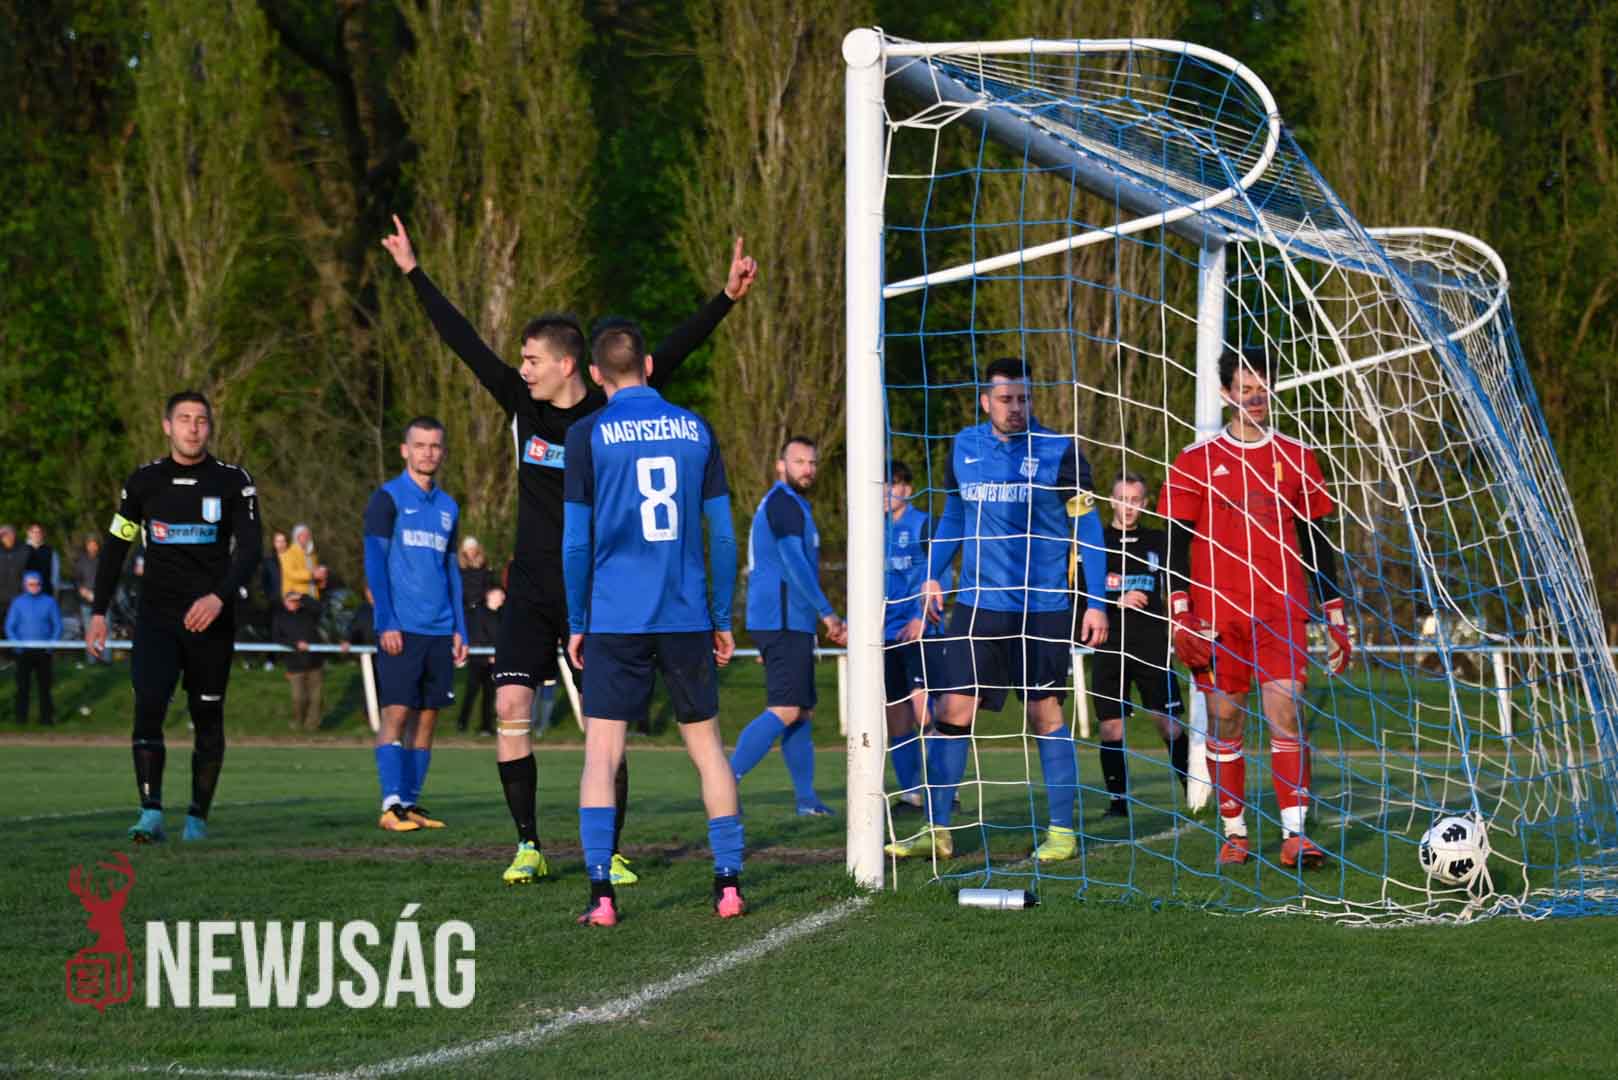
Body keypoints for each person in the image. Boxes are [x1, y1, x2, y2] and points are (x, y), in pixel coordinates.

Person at [380, 213, 757, 885]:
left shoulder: (610, 413)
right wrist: (414, 272)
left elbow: (669, 350)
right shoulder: (519, 404)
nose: (521, 369)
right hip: (530, 586)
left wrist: (725, 299)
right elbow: (460, 339)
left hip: (599, 592)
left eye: (531, 360)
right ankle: (528, 844)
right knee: (509, 708)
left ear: (567, 364)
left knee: (604, 730)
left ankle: (609, 851)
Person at [886, 357, 1110, 862]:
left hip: (1041, 608)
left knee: (1044, 713)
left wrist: (1096, 604)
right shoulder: (963, 447)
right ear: (985, 401)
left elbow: (1089, 530)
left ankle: (1061, 832)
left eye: (1024, 399)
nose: (1016, 408)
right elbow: (954, 517)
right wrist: (931, 574)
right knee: (951, 711)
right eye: (1006, 399)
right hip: (977, 605)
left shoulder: (1061, 451)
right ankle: (936, 828)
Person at [562, 320, 743, 925]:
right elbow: (723, 535)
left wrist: (578, 619)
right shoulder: (696, 428)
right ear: (647, 365)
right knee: (708, 750)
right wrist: (721, 615)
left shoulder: (586, 434)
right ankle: (728, 885)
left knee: (601, 754)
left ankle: (601, 896)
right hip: (685, 612)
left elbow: (575, 542)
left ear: (595, 374)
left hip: (615, 615)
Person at [1159, 346, 1351, 868]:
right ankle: (1235, 831)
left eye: (1263, 388)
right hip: (1217, 616)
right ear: (1226, 394)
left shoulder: (1297, 456)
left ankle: (1295, 834)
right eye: (1245, 389)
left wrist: (1334, 611)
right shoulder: (1194, 460)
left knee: (1286, 710)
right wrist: (1180, 610)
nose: (1256, 398)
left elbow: (1316, 539)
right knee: (1226, 720)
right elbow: (1174, 542)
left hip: (1280, 609)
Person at [86, 391, 262, 843]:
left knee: (207, 716)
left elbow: (251, 549)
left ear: (210, 427)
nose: (193, 427)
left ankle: (197, 820)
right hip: (157, 620)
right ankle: (150, 813)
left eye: (201, 419)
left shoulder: (233, 481)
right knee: (148, 708)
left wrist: (219, 598)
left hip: (212, 622)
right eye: (184, 419)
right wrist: (98, 611)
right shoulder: (143, 482)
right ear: (167, 426)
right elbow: (116, 547)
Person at [730, 437, 848, 815]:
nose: (807, 469)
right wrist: (827, 613)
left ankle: (807, 802)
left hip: (792, 620)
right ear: (781, 465)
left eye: (812, 462)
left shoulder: (795, 504)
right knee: (785, 708)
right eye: (798, 462)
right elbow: (794, 562)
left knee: (801, 712)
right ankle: (723, 781)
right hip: (780, 619)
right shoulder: (782, 502)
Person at [363, 416, 468, 833]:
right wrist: (386, 620)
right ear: (405, 450)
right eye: (420, 445)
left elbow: (452, 570)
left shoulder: (448, 507)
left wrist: (460, 628)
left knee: (427, 718)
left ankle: (409, 802)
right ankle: (390, 804)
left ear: (443, 452)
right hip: (401, 628)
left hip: (440, 630)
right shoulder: (386, 498)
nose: (428, 453)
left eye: (435, 446)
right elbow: (375, 563)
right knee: (397, 712)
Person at [1082, 473, 1188, 817]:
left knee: (1168, 723)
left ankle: (1195, 793)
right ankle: (1118, 803)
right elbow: (1079, 596)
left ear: (1144, 503)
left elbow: (1180, 584)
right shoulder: (1095, 541)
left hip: (1151, 645)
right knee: (1111, 726)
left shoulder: (1158, 540)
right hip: (1109, 645)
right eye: (1122, 499)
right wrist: (1117, 600)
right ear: (1111, 500)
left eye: (1135, 500)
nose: (1128, 507)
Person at [880, 462, 930, 808]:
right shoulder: (871, 530)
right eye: (882, 485)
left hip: (916, 631)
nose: (887, 492)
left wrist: (920, 617)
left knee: (924, 710)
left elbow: (938, 573)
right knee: (895, 714)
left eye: (894, 484)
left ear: (907, 489)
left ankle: (945, 789)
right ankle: (911, 792)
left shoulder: (922, 524)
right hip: (885, 634)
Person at [7, 570, 62, 725]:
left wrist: (50, 646)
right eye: (31, 584)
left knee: (45, 687)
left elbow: (57, 626)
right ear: (25, 585)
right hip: (23, 652)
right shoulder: (18, 603)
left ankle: (46, 719)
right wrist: (17, 645)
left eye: (37, 584)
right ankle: (20, 719)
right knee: (22, 687)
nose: (34, 587)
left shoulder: (49, 602)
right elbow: (10, 626)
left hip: (44, 652)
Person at [273, 591, 325, 732]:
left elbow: (319, 607)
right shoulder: (280, 618)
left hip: (314, 662)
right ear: (285, 602)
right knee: (298, 698)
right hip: (294, 664)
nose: (294, 603)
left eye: (296, 601)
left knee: (317, 698)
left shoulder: (309, 613)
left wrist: (302, 596)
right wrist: (295, 644)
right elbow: (277, 638)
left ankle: (312, 726)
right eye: (291, 600)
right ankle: (298, 723)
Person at [459, 585, 502, 735]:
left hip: (494, 661)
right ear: (489, 595)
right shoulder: (477, 613)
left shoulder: (501, 615)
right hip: (478, 660)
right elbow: (477, 635)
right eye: (499, 594)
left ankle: (486, 726)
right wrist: (488, 653)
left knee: (489, 694)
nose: (502, 597)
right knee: (472, 691)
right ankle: (462, 723)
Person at [75, 537, 104, 663]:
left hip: (103, 602)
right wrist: (83, 591)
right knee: (89, 630)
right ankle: (91, 660)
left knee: (104, 630)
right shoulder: (80, 562)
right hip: (86, 602)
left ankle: (106, 659)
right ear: (86, 546)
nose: (92, 547)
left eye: (94, 545)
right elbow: (76, 581)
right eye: (90, 545)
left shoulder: (104, 560)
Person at [280, 524, 319, 599]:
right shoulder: (288, 553)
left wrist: (320, 577)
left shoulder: (312, 555)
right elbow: (291, 573)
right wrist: (311, 574)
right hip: (297, 597)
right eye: (304, 535)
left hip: (313, 595)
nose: (308, 538)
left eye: (309, 535)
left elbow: (315, 574)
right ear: (297, 537)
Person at [24, 523, 59, 596]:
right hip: (25, 591)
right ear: (28, 533)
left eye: (39, 532)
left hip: (45, 590)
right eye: (34, 532)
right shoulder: (21, 550)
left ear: (43, 534)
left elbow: (55, 572)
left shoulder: (50, 551)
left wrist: (55, 587)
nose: (36, 534)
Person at [0, 525, 27, 615]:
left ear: (14, 534)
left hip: (18, 596)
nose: (5, 537)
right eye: (2, 535)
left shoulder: (25, 550)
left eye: (7, 534)